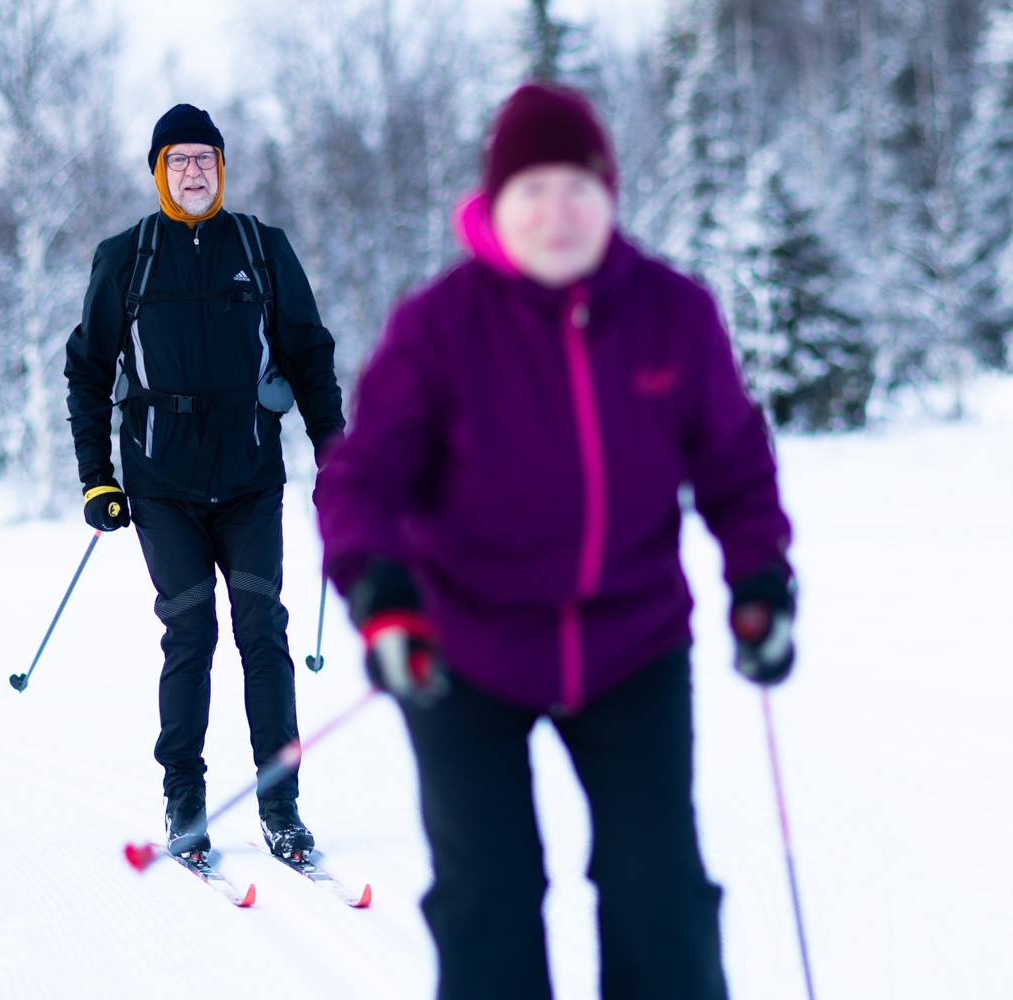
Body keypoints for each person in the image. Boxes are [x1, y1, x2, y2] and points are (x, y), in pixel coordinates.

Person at [315, 83, 795, 999]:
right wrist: (379, 592)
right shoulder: (441, 327)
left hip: (632, 642)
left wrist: (760, 578)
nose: (556, 210)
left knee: (660, 890)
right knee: (488, 892)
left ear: (610, 194)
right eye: (530, 189)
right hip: (464, 645)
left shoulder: (672, 314)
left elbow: (735, 463)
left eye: (576, 185)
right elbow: (361, 476)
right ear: (494, 207)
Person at [65, 103, 345, 860]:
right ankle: (184, 798)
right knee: (190, 635)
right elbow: (88, 370)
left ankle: (280, 803)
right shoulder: (126, 257)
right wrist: (98, 477)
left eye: (207, 159)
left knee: (263, 633)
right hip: (162, 486)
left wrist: (336, 453)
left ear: (222, 168)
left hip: (252, 476)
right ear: (160, 170)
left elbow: (309, 356)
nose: (195, 172)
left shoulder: (261, 246)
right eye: (181, 160)